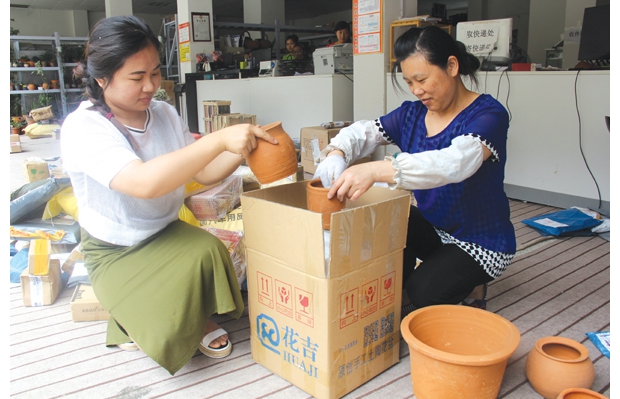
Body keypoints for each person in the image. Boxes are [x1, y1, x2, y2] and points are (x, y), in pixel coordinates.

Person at [60, 15, 277, 375]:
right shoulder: (85, 127)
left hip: (163, 230)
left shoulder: (163, 113)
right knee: (168, 322)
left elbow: (203, 173)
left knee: (207, 251)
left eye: (155, 74)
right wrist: (218, 139)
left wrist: (243, 148)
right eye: (136, 77)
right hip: (115, 248)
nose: (150, 86)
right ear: (102, 78)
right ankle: (143, 315)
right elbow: (144, 183)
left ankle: (164, 313)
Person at [313, 25, 516, 316]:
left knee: (423, 292)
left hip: (482, 243)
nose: (416, 90)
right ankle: (430, 274)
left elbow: (455, 162)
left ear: (452, 66)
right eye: (409, 82)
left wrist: (379, 170)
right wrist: (336, 153)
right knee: (389, 222)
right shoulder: (412, 114)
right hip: (437, 230)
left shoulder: (488, 114)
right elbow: (364, 132)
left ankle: (474, 284)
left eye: (422, 79)